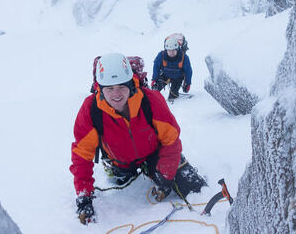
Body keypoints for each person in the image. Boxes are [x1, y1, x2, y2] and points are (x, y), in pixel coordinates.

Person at [70, 52, 205, 224]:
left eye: (121, 87)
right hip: (119, 162)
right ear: (100, 89)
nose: (116, 94)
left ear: (131, 85)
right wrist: (84, 196)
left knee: (194, 186)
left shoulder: (151, 101)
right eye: (109, 89)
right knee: (119, 180)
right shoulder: (91, 110)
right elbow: (82, 155)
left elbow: (171, 141)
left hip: (152, 155)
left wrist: (166, 177)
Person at [151, 35, 192, 100]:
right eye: (169, 51)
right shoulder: (161, 55)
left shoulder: (184, 57)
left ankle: (174, 95)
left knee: (173, 96)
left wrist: (188, 83)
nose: (171, 53)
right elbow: (156, 67)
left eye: (173, 51)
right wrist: (154, 80)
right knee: (154, 91)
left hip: (177, 78)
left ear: (177, 49)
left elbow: (188, 71)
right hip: (165, 76)